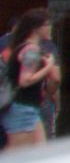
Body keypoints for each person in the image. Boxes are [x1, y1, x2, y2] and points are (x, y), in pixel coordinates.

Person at [3, 10, 49, 154]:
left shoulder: (21, 46)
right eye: (46, 25)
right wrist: (47, 67)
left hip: (27, 107)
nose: (50, 28)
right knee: (18, 153)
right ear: (36, 28)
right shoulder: (31, 50)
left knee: (39, 149)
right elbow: (25, 80)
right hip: (23, 106)